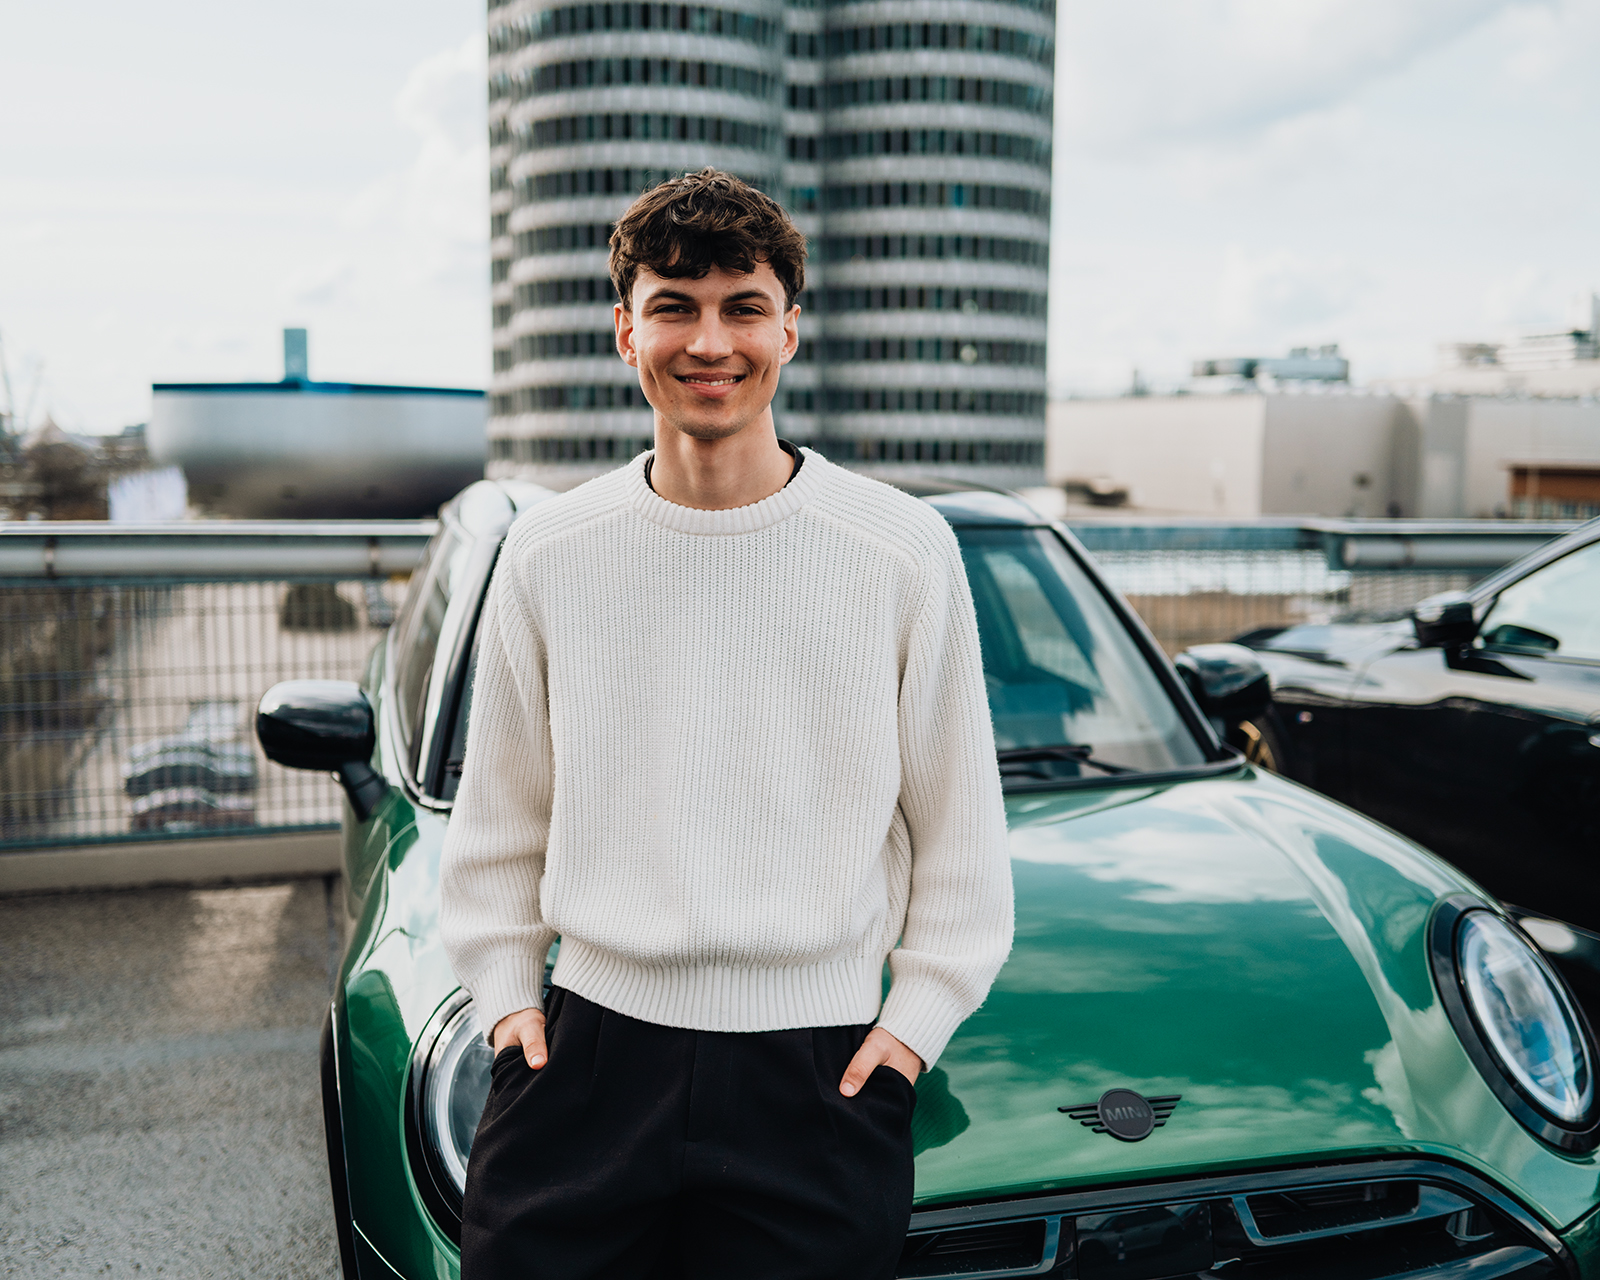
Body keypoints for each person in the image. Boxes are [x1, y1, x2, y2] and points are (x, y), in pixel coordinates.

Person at [440, 167, 1013, 1279]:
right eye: (675, 306)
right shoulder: (550, 549)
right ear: (626, 331)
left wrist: (914, 1025)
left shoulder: (899, 549)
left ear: (790, 329)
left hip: (818, 1074)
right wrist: (508, 998)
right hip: (588, 1057)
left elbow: (958, 823)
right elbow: (501, 810)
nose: (711, 341)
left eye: (742, 306)